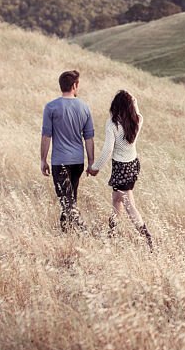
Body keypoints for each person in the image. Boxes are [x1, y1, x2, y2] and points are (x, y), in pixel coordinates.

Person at [87, 90, 153, 251]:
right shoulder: (137, 120)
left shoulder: (113, 124)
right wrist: (133, 102)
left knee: (130, 206)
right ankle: (112, 232)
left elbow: (108, 150)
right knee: (116, 199)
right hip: (132, 165)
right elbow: (136, 110)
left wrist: (95, 168)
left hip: (121, 168)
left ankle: (147, 238)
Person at [41, 70, 95, 232]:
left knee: (66, 201)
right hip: (78, 161)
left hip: (60, 161)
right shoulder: (84, 107)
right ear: (74, 85)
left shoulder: (51, 107)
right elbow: (89, 138)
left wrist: (43, 160)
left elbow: (46, 136)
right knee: (69, 200)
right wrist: (91, 161)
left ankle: (84, 232)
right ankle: (66, 233)